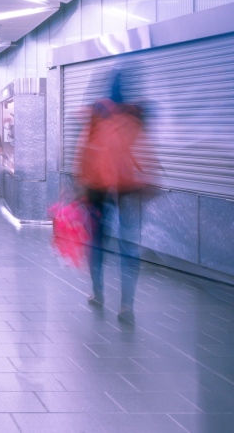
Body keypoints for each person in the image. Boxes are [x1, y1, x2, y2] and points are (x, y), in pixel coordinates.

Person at [76, 72, 148, 323]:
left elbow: (84, 147)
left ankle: (98, 293)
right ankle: (127, 306)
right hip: (129, 186)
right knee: (129, 246)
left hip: (98, 187)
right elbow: (144, 148)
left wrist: (81, 182)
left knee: (96, 242)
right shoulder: (136, 113)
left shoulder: (98, 112)